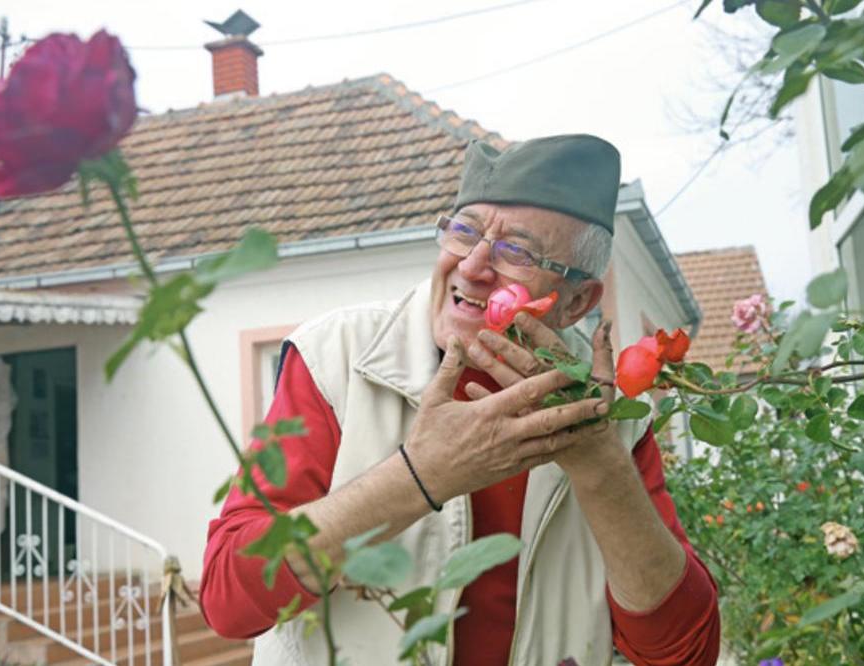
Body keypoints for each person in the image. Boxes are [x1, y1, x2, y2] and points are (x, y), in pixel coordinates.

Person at [200, 134, 721, 665]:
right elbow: (229, 601)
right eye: (463, 231)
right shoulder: (334, 358)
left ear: (577, 303)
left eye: (516, 250)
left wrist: (599, 463)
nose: (472, 266)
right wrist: (419, 476)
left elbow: (684, 653)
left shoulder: (609, 409)